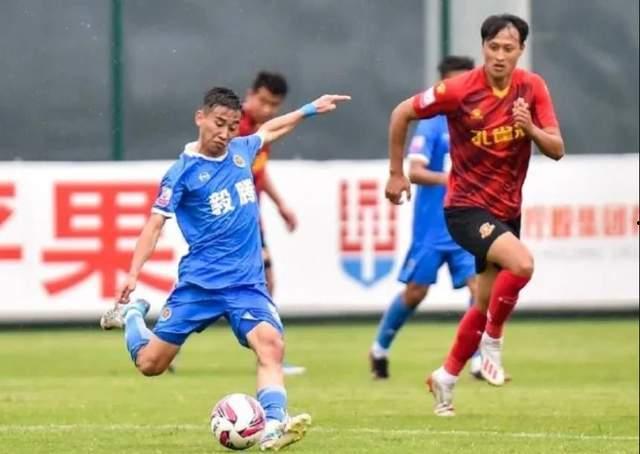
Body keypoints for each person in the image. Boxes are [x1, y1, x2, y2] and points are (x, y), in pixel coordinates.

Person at [100, 87, 350, 449]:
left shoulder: (241, 151)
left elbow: (271, 129)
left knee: (271, 346)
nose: (225, 133)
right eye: (219, 123)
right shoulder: (181, 174)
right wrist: (134, 273)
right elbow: (154, 226)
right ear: (200, 118)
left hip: (246, 285)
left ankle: (274, 425)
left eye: (232, 126)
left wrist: (311, 108)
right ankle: (133, 316)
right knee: (151, 364)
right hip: (199, 286)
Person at [384, 14, 564, 416]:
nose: (499, 55)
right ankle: (492, 345)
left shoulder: (532, 88)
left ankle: (446, 377)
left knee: (481, 304)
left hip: (506, 210)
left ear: (521, 50)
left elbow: (557, 148)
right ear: (483, 47)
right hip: (464, 208)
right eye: (493, 47)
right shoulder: (458, 90)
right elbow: (401, 113)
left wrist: (530, 129)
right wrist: (396, 173)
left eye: (508, 48)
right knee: (522, 263)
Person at [369, 56, 477, 380]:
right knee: (416, 292)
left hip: (468, 223)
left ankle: (477, 360)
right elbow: (415, 171)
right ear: (441, 85)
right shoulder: (432, 124)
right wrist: (454, 179)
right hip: (432, 228)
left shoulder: (478, 122)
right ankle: (380, 348)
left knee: (480, 288)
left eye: (467, 81)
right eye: (456, 82)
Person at [240, 71, 304, 376]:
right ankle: (271, 352)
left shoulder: (260, 132)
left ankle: (270, 351)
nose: (267, 109)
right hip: (231, 220)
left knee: (263, 280)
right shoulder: (236, 128)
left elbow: (259, 174)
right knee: (215, 286)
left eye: (274, 105)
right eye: (263, 101)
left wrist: (281, 206)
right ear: (250, 95)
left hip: (251, 218)